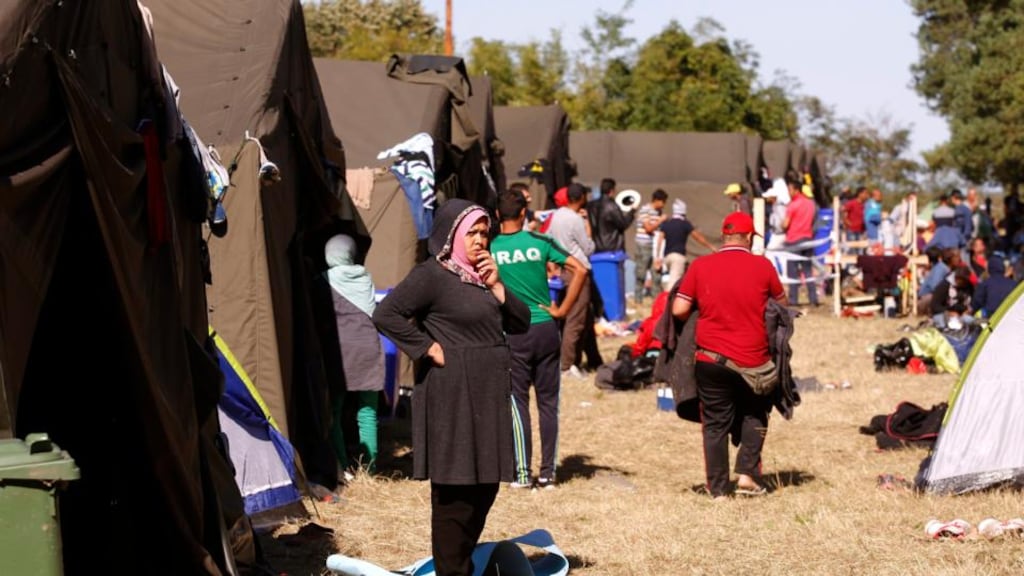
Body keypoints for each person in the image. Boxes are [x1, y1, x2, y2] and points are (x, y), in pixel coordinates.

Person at [372, 200, 530, 576]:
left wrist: (497, 285)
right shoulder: (432, 274)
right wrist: (426, 347)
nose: (480, 240)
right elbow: (386, 313)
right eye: (471, 232)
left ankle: (460, 563)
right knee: (455, 492)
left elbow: (522, 322)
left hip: (487, 393)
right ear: (451, 234)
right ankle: (452, 569)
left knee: (485, 484)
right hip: (452, 393)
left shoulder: (481, 277)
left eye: (484, 233)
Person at [671, 212, 786, 499]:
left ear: (724, 237)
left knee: (714, 424)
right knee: (756, 413)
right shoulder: (763, 266)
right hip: (754, 360)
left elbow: (679, 309)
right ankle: (747, 475)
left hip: (711, 359)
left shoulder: (700, 266)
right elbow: (782, 307)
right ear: (748, 237)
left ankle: (719, 490)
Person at [492, 189, 588, 490]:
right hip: (546, 328)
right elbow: (580, 269)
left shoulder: (490, 247)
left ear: (497, 215)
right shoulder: (539, 242)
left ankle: (522, 474)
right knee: (548, 404)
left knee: (517, 401)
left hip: (514, 331)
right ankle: (548, 474)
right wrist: (563, 310)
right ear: (523, 214)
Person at [325, 234, 385, 475]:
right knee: (368, 412)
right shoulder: (364, 277)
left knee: (334, 411)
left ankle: (343, 467)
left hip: (340, 354)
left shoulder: (323, 281)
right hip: (369, 350)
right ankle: (370, 469)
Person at [545, 183, 597, 380]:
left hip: (564, 270)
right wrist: (587, 225)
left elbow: (548, 240)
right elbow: (588, 248)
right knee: (576, 319)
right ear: (582, 197)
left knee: (577, 317)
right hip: (579, 271)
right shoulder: (576, 219)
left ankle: (580, 360)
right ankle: (566, 365)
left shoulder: (557, 215)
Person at [653, 199, 716, 289]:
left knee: (678, 278)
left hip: (667, 257)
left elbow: (659, 240)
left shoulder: (667, 224)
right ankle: (668, 296)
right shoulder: (685, 224)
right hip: (678, 257)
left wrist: (657, 257)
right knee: (673, 283)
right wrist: (710, 246)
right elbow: (697, 237)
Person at [782, 170, 819, 307]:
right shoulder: (810, 203)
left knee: (792, 272)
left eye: (789, 190)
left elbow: (785, 224)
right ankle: (813, 299)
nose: (788, 192)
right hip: (808, 239)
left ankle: (793, 300)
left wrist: (781, 226)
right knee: (808, 271)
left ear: (796, 190)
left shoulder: (792, 205)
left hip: (793, 240)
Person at [633, 189, 668, 303]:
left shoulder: (659, 212)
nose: (663, 205)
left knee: (656, 275)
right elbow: (648, 228)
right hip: (644, 245)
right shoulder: (645, 210)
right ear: (657, 200)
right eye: (663, 202)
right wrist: (660, 220)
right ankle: (638, 300)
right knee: (641, 273)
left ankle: (657, 301)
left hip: (655, 247)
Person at [590, 177, 634, 253]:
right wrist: (632, 212)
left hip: (596, 246)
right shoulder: (612, 206)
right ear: (612, 191)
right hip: (613, 248)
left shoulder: (591, 205)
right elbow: (623, 224)